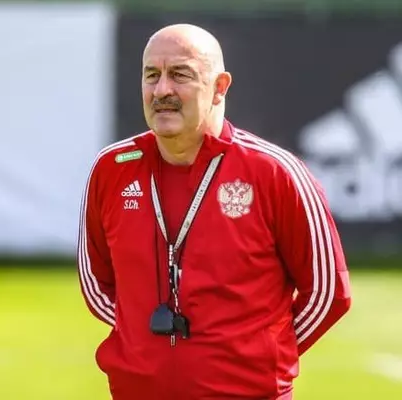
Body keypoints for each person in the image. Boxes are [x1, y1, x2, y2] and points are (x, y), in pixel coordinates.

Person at [77, 23, 351, 400]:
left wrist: (252, 355)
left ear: (219, 87)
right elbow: (96, 284)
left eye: (180, 75)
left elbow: (328, 292)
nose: (162, 90)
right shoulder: (112, 169)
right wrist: (144, 344)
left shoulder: (275, 172)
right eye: (151, 75)